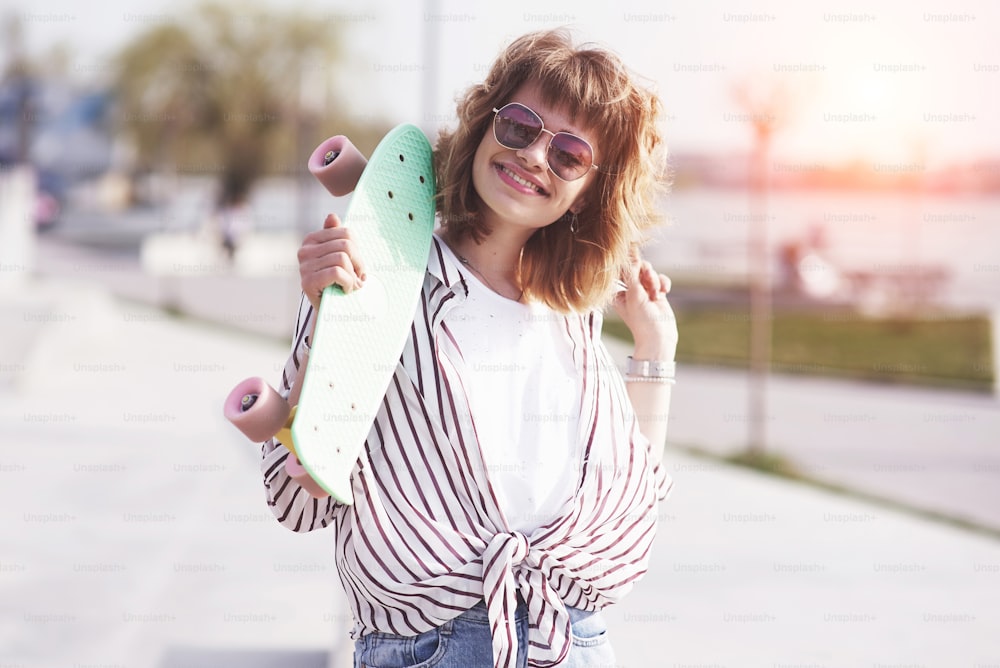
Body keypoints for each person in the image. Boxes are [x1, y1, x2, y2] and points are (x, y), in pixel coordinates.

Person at [261, 29, 677, 668]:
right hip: (436, 647)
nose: (537, 155)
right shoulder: (385, 274)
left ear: (590, 190)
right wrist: (325, 322)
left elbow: (631, 505)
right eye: (519, 126)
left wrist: (654, 350)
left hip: (577, 642)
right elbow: (293, 500)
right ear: (485, 125)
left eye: (569, 153)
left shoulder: (572, 318)